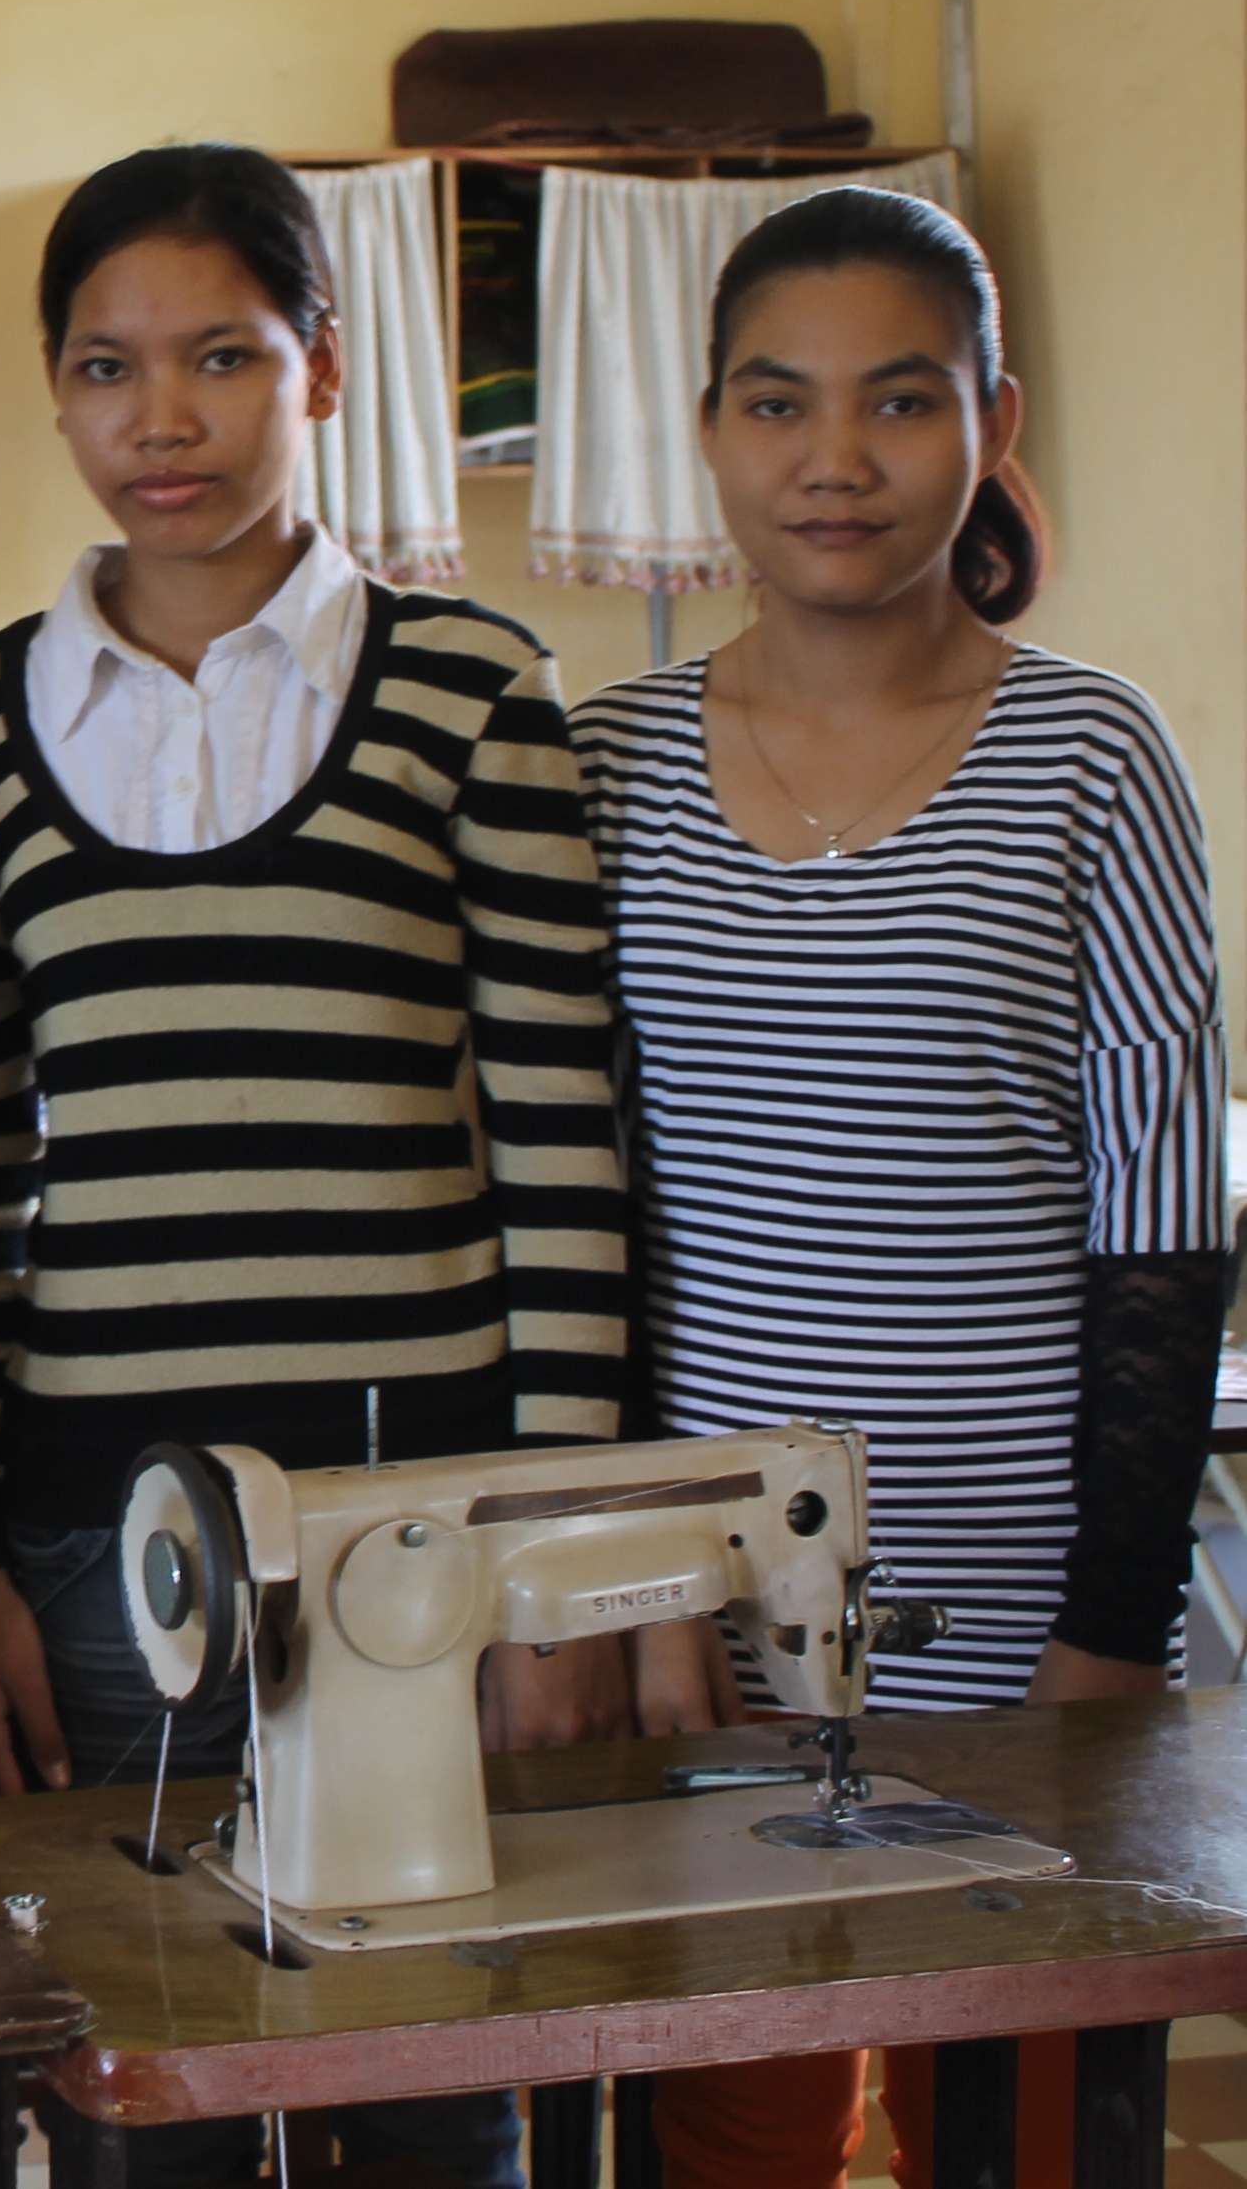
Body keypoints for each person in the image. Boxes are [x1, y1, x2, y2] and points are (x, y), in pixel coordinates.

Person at [0, 144, 633, 2189]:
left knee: (428, 2090)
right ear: (48, 392)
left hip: (411, 1524)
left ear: (317, 363)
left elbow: (565, 1145)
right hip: (94, 1536)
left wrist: (553, 1550)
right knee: (149, 2089)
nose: (161, 418)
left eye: (221, 354)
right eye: (103, 366)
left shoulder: (467, 688)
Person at [577, 187, 1227, 2189]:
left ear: (989, 417)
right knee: (729, 2125)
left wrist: (1102, 1636)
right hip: (704, 1617)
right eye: (775, 403)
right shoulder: (595, 770)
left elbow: (1159, 1225)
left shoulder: (1093, 756)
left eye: (896, 401)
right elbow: (573, 1216)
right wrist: (616, 1580)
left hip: (1022, 1618)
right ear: (703, 429)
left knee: (1023, 2128)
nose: (832, 460)